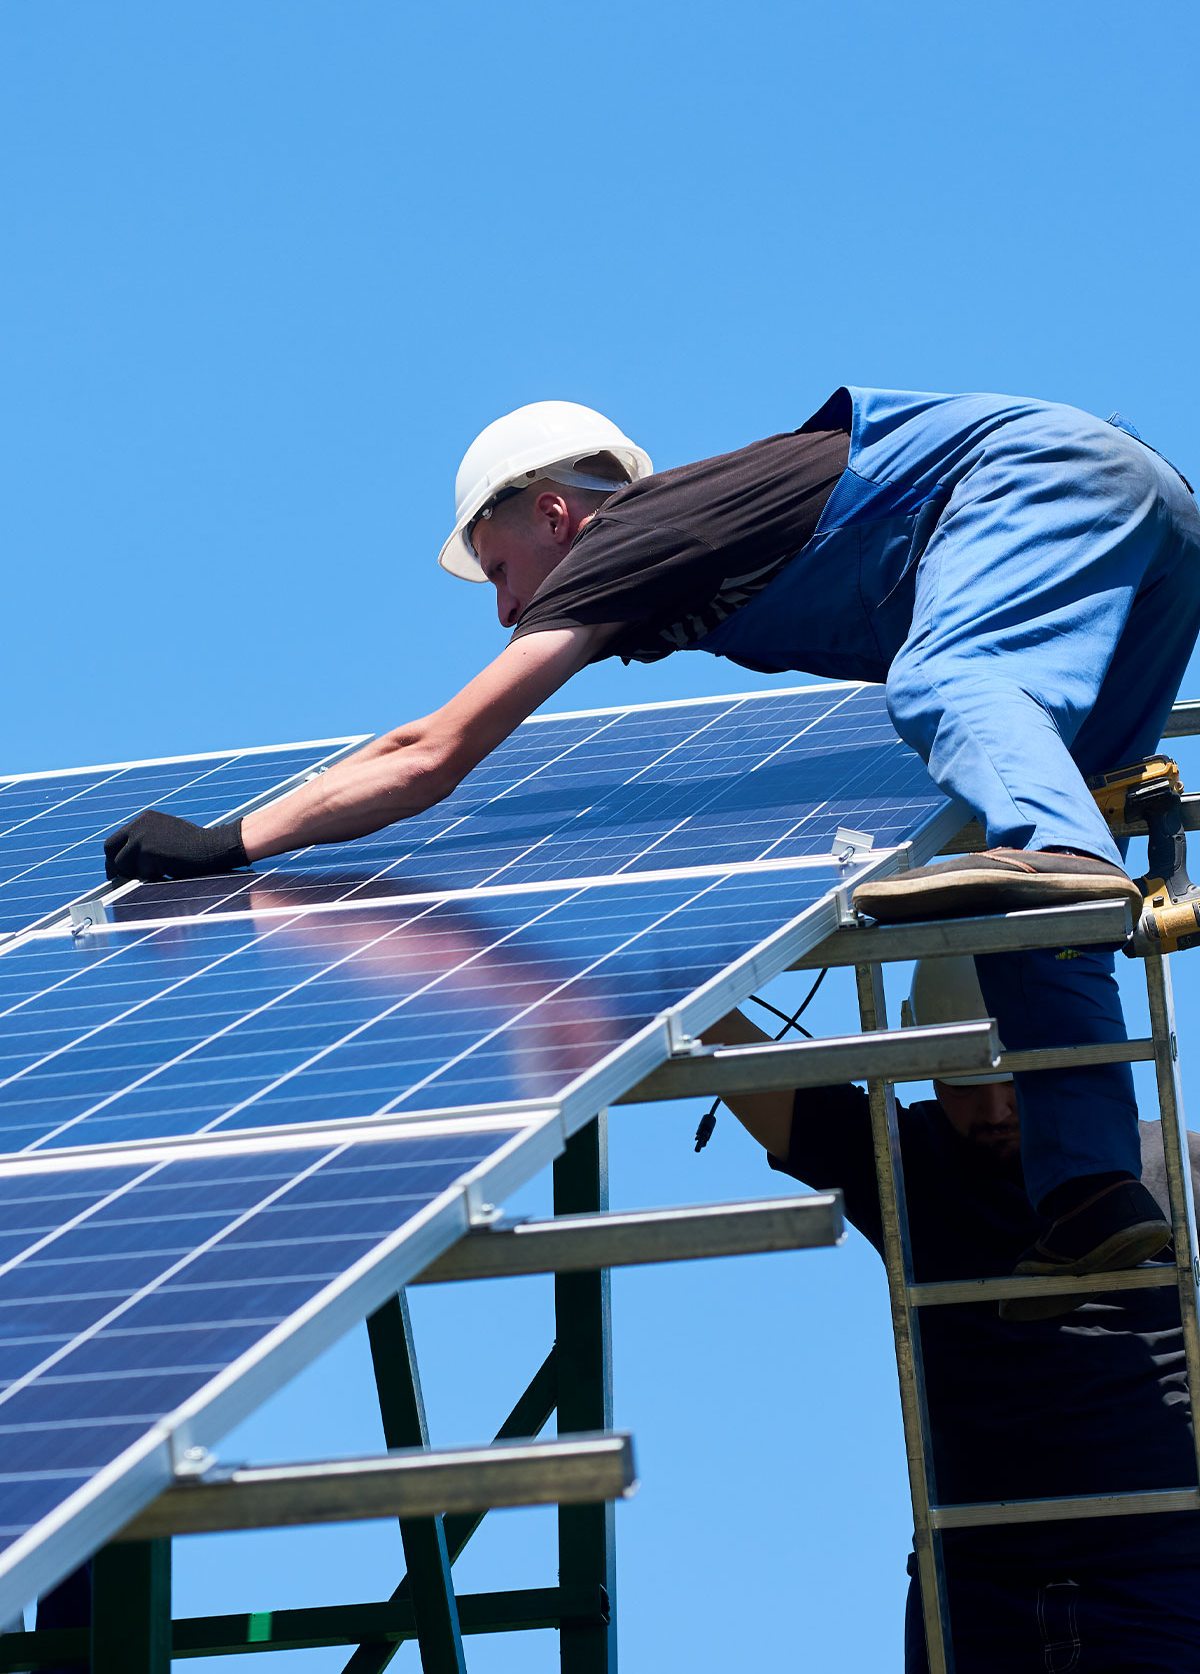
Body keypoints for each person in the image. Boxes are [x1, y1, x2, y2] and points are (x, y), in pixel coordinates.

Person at [102, 389, 1200, 1295]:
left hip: (1035, 484)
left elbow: (435, 750)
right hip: (1151, 520)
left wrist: (230, 839)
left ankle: (1072, 860)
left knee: (957, 694)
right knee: (1023, 904)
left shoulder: (629, 539)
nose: (503, 608)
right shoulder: (683, 545)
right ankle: (1094, 1183)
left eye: (498, 571)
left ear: (553, 513)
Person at [712, 956, 1200, 1673]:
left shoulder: (1169, 1163)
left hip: (1156, 1575)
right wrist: (663, 974)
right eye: (967, 1087)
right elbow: (746, 1068)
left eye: (1013, 1082)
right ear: (921, 1062)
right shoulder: (902, 1158)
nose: (996, 1110)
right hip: (975, 1592)